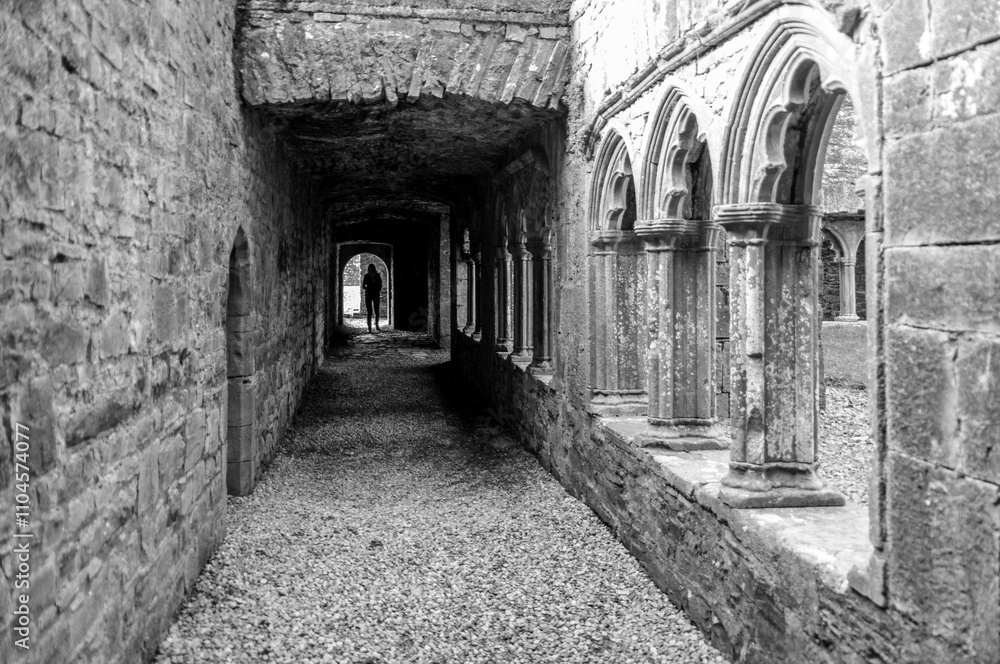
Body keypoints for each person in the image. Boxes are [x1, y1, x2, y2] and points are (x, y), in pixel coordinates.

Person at [362, 263, 383, 333]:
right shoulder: (366, 276)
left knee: (376, 311)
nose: (371, 269)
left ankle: (377, 325)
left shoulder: (378, 275)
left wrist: (377, 290)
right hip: (368, 295)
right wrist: (368, 289)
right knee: (369, 312)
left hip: (376, 294)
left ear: (374, 268)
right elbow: (363, 285)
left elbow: (380, 284)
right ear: (369, 268)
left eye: (372, 267)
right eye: (370, 267)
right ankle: (369, 327)